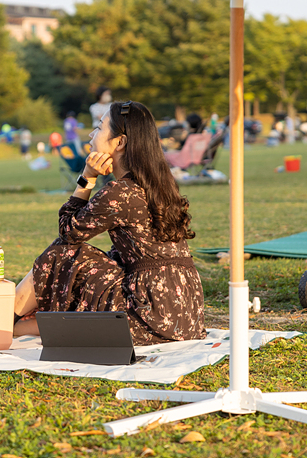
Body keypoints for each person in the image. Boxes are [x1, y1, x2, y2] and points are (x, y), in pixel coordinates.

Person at [12, 100, 205, 344]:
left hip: (149, 309)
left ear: (120, 142)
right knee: (91, 263)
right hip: (185, 311)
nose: (92, 134)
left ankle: (8, 317)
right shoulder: (159, 184)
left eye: (100, 127)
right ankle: (20, 325)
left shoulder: (121, 192)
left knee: (62, 253)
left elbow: (68, 232)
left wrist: (86, 177)